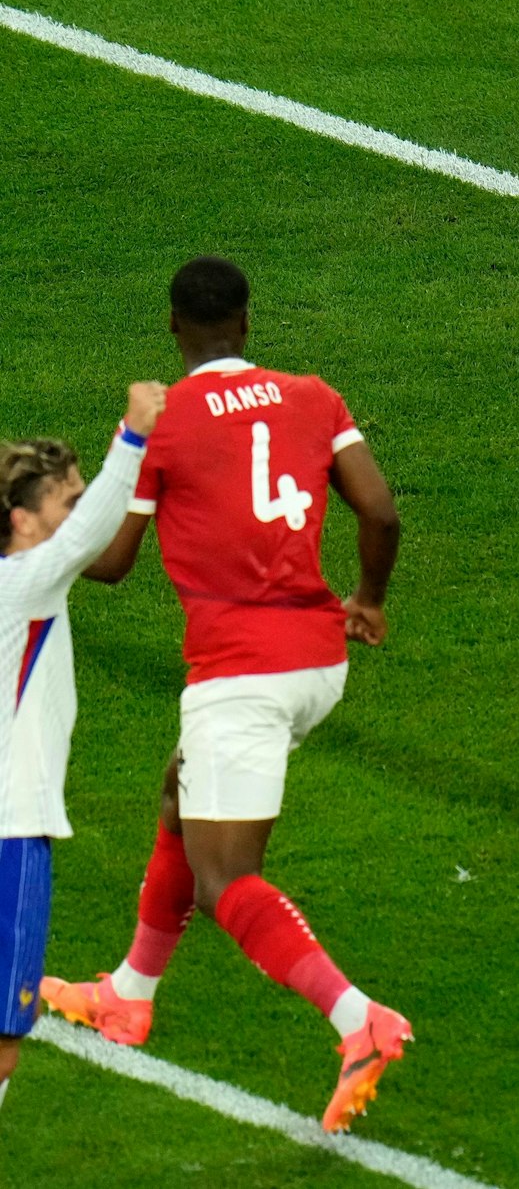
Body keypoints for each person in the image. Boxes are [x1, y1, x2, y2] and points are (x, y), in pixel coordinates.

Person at [39, 257, 410, 1132]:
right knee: (179, 791)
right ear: (247, 324)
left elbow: (114, 564)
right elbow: (381, 513)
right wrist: (371, 602)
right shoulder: (315, 397)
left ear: (174, 328)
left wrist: (53, 528)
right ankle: (128, 995)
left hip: (242, 675)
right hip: (319, 659)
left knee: (226, 880)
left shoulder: (162, 427)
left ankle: (360, 1021)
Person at [0, 385, 167, 1109]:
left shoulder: (23, 587)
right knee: (4, 1041)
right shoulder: (25, 586)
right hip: (10, 835)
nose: (78, 512)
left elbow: (85, 541)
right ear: (21, 523)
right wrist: (132, 439)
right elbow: (83, 540)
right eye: (65, 500)